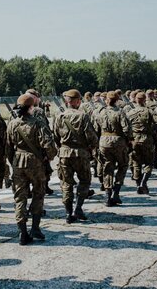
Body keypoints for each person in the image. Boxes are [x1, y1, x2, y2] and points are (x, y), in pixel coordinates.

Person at [6, 94, 57, 245]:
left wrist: (13, 161)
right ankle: (35, 228)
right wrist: (49, 157)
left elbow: (8, 147)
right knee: (38, 194)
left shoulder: (12, 124)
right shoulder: (38, 123)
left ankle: (22, 232)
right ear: (31, 107)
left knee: (20, 197)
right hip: (36, 163)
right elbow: (49, 145)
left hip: (18, 162)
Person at [53, 89, 98, 223]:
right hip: (80, 154)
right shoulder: (83, 116)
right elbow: (91, 136)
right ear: (78, 101)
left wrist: (60, 147)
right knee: (84, 181)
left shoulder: (59, 116)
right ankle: (78, 208)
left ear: (67, 101)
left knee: (66, 183)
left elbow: (55, 136)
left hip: (64, 153)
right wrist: (92, 147)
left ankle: (68, 213)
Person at [98, 91, 132, 206]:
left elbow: (95, 127)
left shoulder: (100, 112)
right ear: (117, 100)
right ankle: (116, 193)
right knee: (123, 165)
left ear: (106, 100)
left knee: (108, 166)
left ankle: (107, 195)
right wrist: (129, 140)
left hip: (103, 141)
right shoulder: (120, 112)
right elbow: (126, 129)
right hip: (118, 141)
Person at [127, 92, 154, 194]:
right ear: (144, 100)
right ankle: (144, 182)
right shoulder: (149, 111)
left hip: (134, 139)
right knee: (149, 162)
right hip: (147, 138)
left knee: (136, 163)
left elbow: (126, 127)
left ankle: (138, 185)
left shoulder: (130, 112)